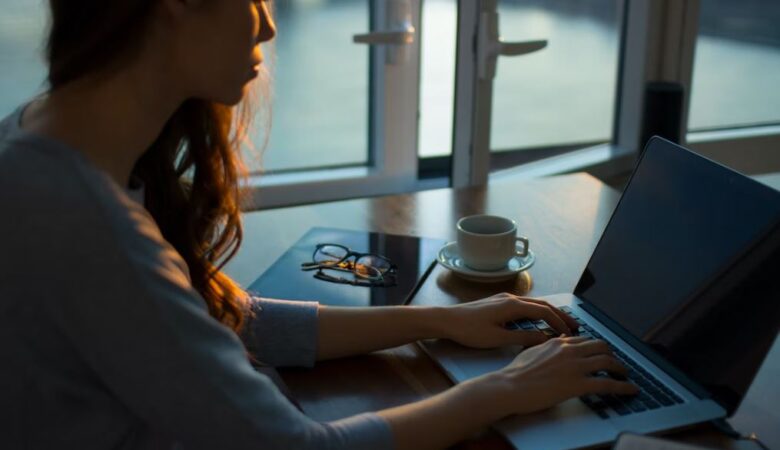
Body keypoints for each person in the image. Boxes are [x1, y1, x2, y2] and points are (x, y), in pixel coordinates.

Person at [0, 0, 637, 449]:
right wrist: (501, 391)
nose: (270, 22)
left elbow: (203, 319)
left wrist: (437, 320)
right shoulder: (92, 232)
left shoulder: (37, 136)